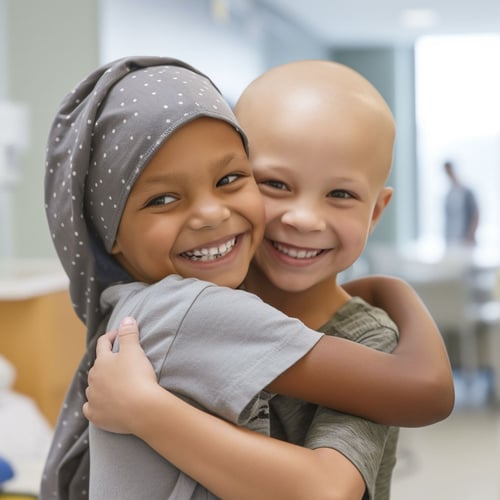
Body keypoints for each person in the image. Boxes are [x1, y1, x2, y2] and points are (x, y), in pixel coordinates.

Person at [81, 60, 453, 499]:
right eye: (274, 184)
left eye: (340, 194)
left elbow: (330, 488)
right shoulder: (185, 299)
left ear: (375, 211)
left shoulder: (370, 340)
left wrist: (146, 411)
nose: (303, 218)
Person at [443, 160, 479, 246]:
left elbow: (476, 214)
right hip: (450, 238)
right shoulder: (449, 193)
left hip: (465, 238)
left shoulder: (467, 192)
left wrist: (470, 234)